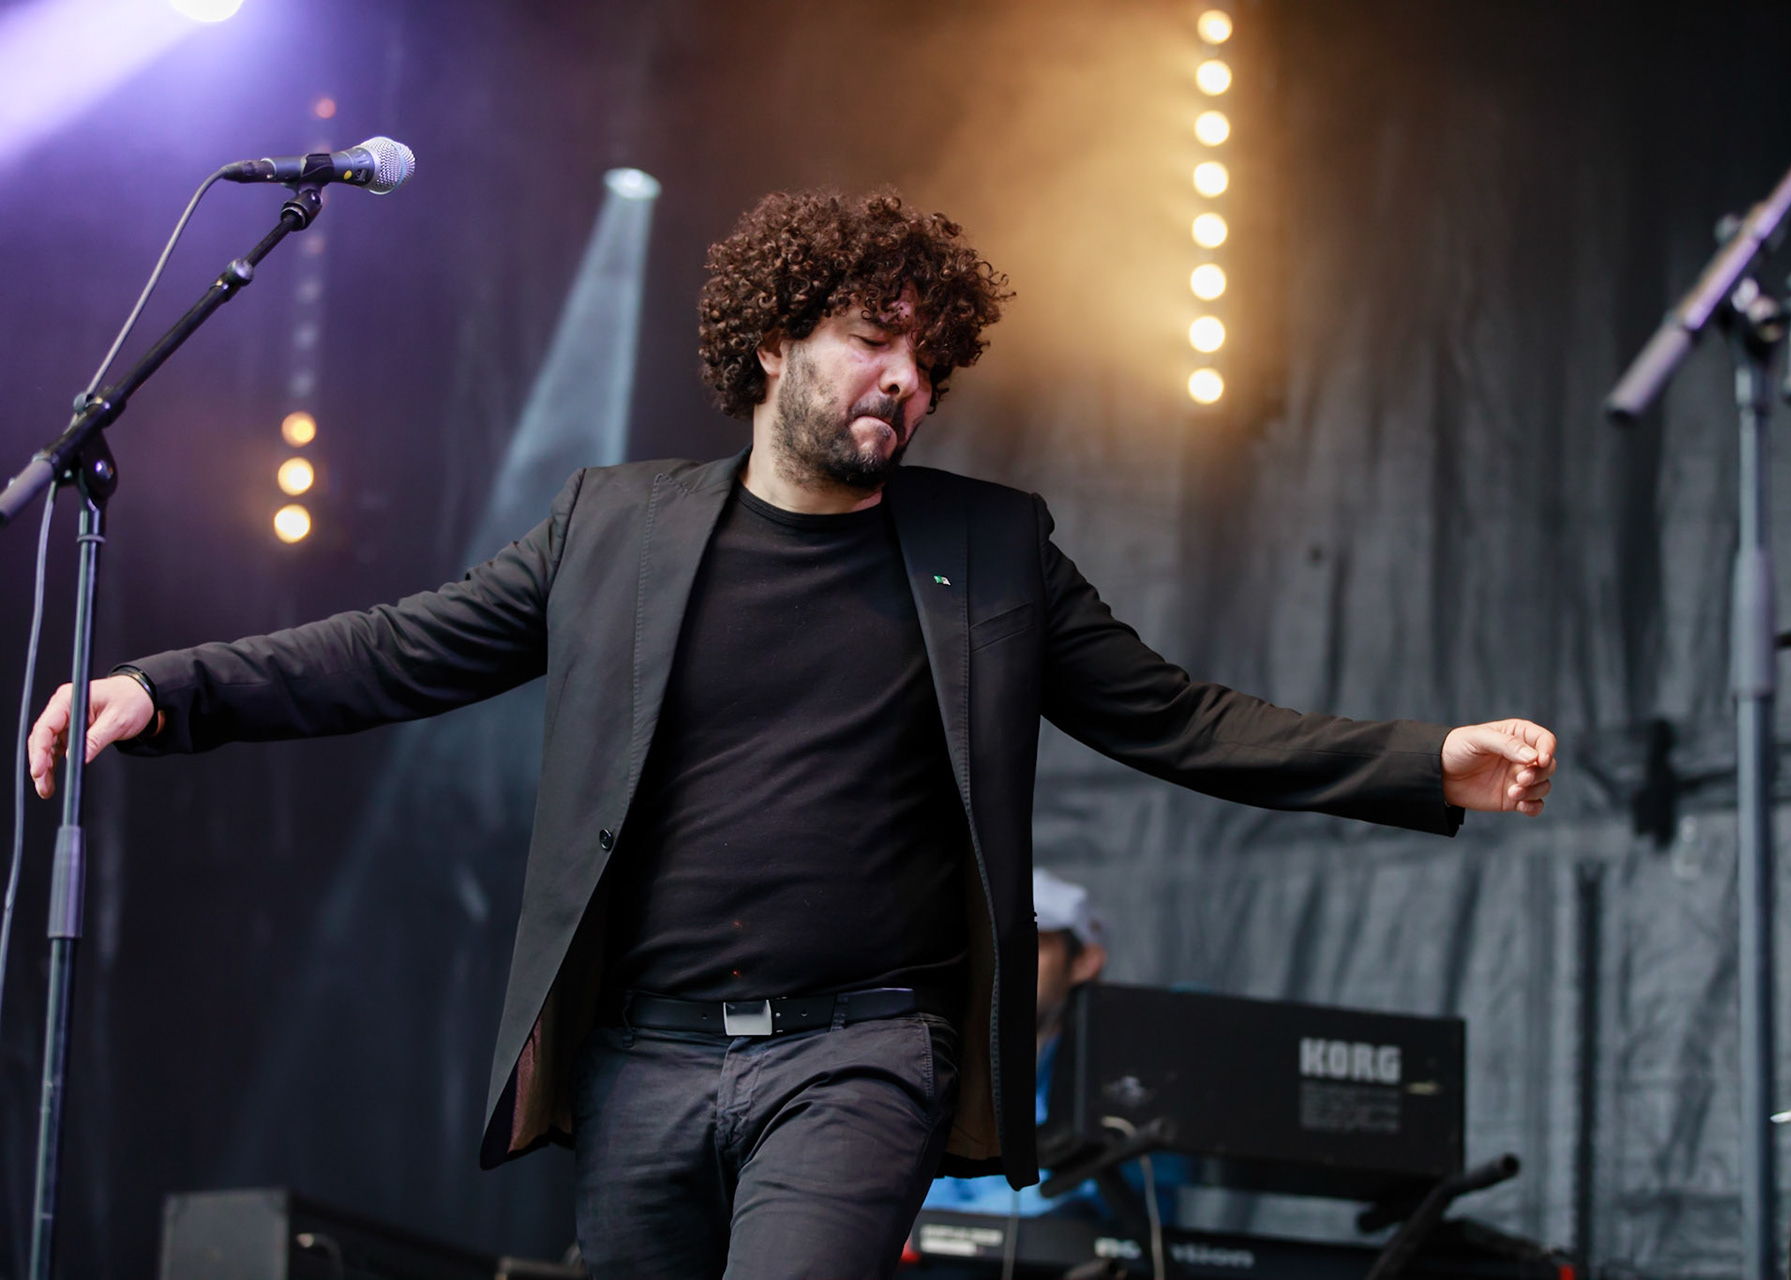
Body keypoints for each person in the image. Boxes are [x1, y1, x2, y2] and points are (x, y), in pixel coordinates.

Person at [27, 189, 1557, 1280]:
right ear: (772, 343)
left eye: (929, 357)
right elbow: (402, 649)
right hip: (643, 1063)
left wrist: (1421, 760)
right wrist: (174, 688)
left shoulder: (989, 548)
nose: (906, 376)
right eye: (871, 339)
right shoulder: (615, 525)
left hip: (860, 1053)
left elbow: (1176, 716)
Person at [920, 867, 1184, 1224]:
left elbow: (1127, 1191)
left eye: (1032, 944)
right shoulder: (940, 1058)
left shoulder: (1130, 1066)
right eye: (989, 944)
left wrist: (958, 1224)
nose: (1004, 963)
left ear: (1084, 962)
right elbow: (922, 1196)